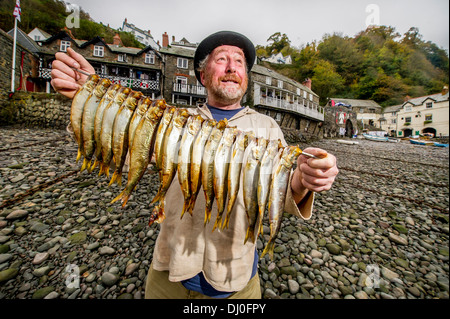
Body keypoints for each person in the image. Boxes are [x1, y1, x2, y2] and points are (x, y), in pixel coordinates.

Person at [51, 30, 338, 299]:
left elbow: (286, 194)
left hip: (236, 281)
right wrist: (91, 101)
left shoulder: (268, 128)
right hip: (169, 274)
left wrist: (306, 178)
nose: (231, 67)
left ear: (246, 78)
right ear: (202, 74)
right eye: (222, 59)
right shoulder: (173, 119)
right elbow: (123, 154)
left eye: (239, 62)